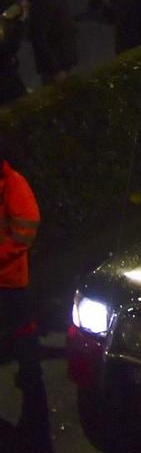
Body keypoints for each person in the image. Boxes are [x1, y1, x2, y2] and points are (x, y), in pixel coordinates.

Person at [0, 144, 40, 411]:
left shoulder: (14, 184)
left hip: (11, 278)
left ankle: (31, 378)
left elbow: (25, 229)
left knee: (22, 331)